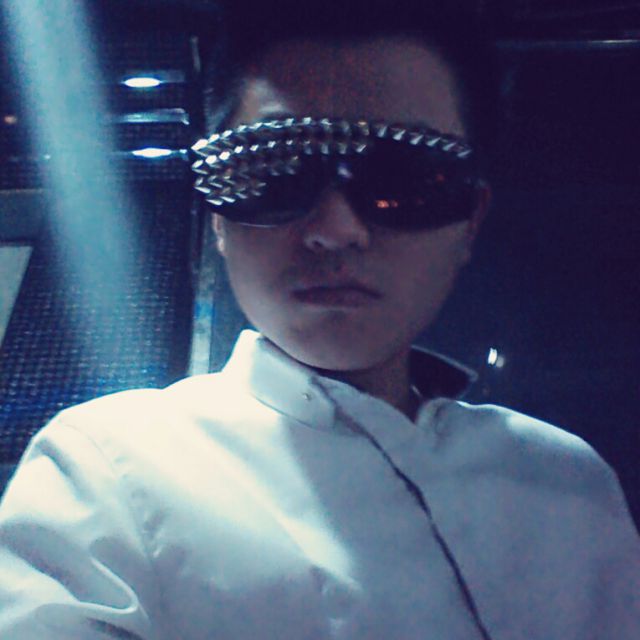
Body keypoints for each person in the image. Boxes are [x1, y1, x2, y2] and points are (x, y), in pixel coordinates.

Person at [0, 3, 638, 639]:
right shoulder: (104, 476)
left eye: (406, 180)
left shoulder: (569, 482)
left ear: (469, 220)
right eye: (275, 170)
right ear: (218, 213)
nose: (336, 230)